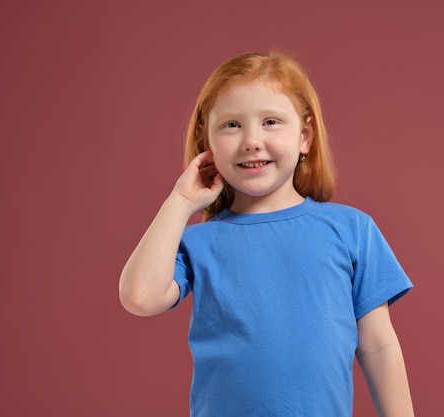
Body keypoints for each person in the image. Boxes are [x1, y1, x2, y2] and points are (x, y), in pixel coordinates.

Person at [119, 51, 415, 417]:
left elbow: (378, 346)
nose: (250, 140)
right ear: (205, 140)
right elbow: (139, 297)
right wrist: (180, 201)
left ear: (305, 136)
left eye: (271, 121)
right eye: (231, 125)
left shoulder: (352, 230)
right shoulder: (197, 243)